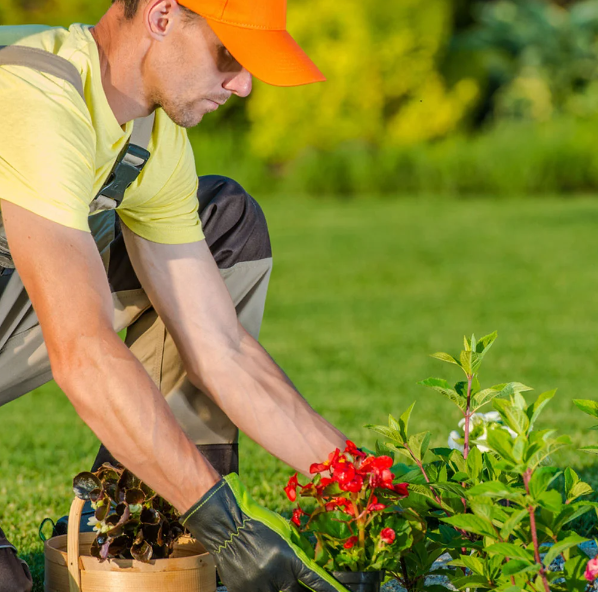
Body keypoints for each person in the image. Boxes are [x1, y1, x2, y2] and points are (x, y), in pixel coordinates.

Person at [0, 1, 349, 590]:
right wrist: (229, 531)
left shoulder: (150, 138)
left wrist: (369, 488)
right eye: (230, 57)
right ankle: (185, 501)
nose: (242, 86)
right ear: (161, 16)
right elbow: (81, 351)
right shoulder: (34, 93)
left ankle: (142, 514)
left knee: (223, 221)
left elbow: (220, 348)